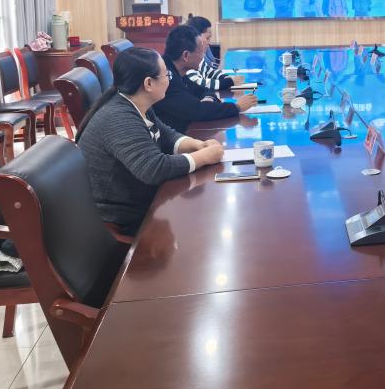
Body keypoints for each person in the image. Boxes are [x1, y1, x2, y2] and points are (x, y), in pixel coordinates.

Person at [76, 47, 225, 235]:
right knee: (202, 224)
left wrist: (197, 145)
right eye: (166, 75)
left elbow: (165, 134)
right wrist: (203, 157)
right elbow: (154, 169)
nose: (169, 80)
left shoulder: (136, 102)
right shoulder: (119, 117)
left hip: (140, 200)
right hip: (119, 218)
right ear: (148, 83)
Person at [154, 24, 256, 132]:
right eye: (201, 52)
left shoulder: (178, 70)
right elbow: (197, 111)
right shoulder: (164, 77)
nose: (203, 56)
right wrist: (237, 107)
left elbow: (204, 89)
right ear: (186, 56)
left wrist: (209, 98)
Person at [186, 16, 243, 91]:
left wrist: (226, 77)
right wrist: (229, 82)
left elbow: (210, 72)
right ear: (195, 37)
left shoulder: (199, 57)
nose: (209, 43)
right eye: (207, 38)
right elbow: (198, 83)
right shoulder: (186, 58)